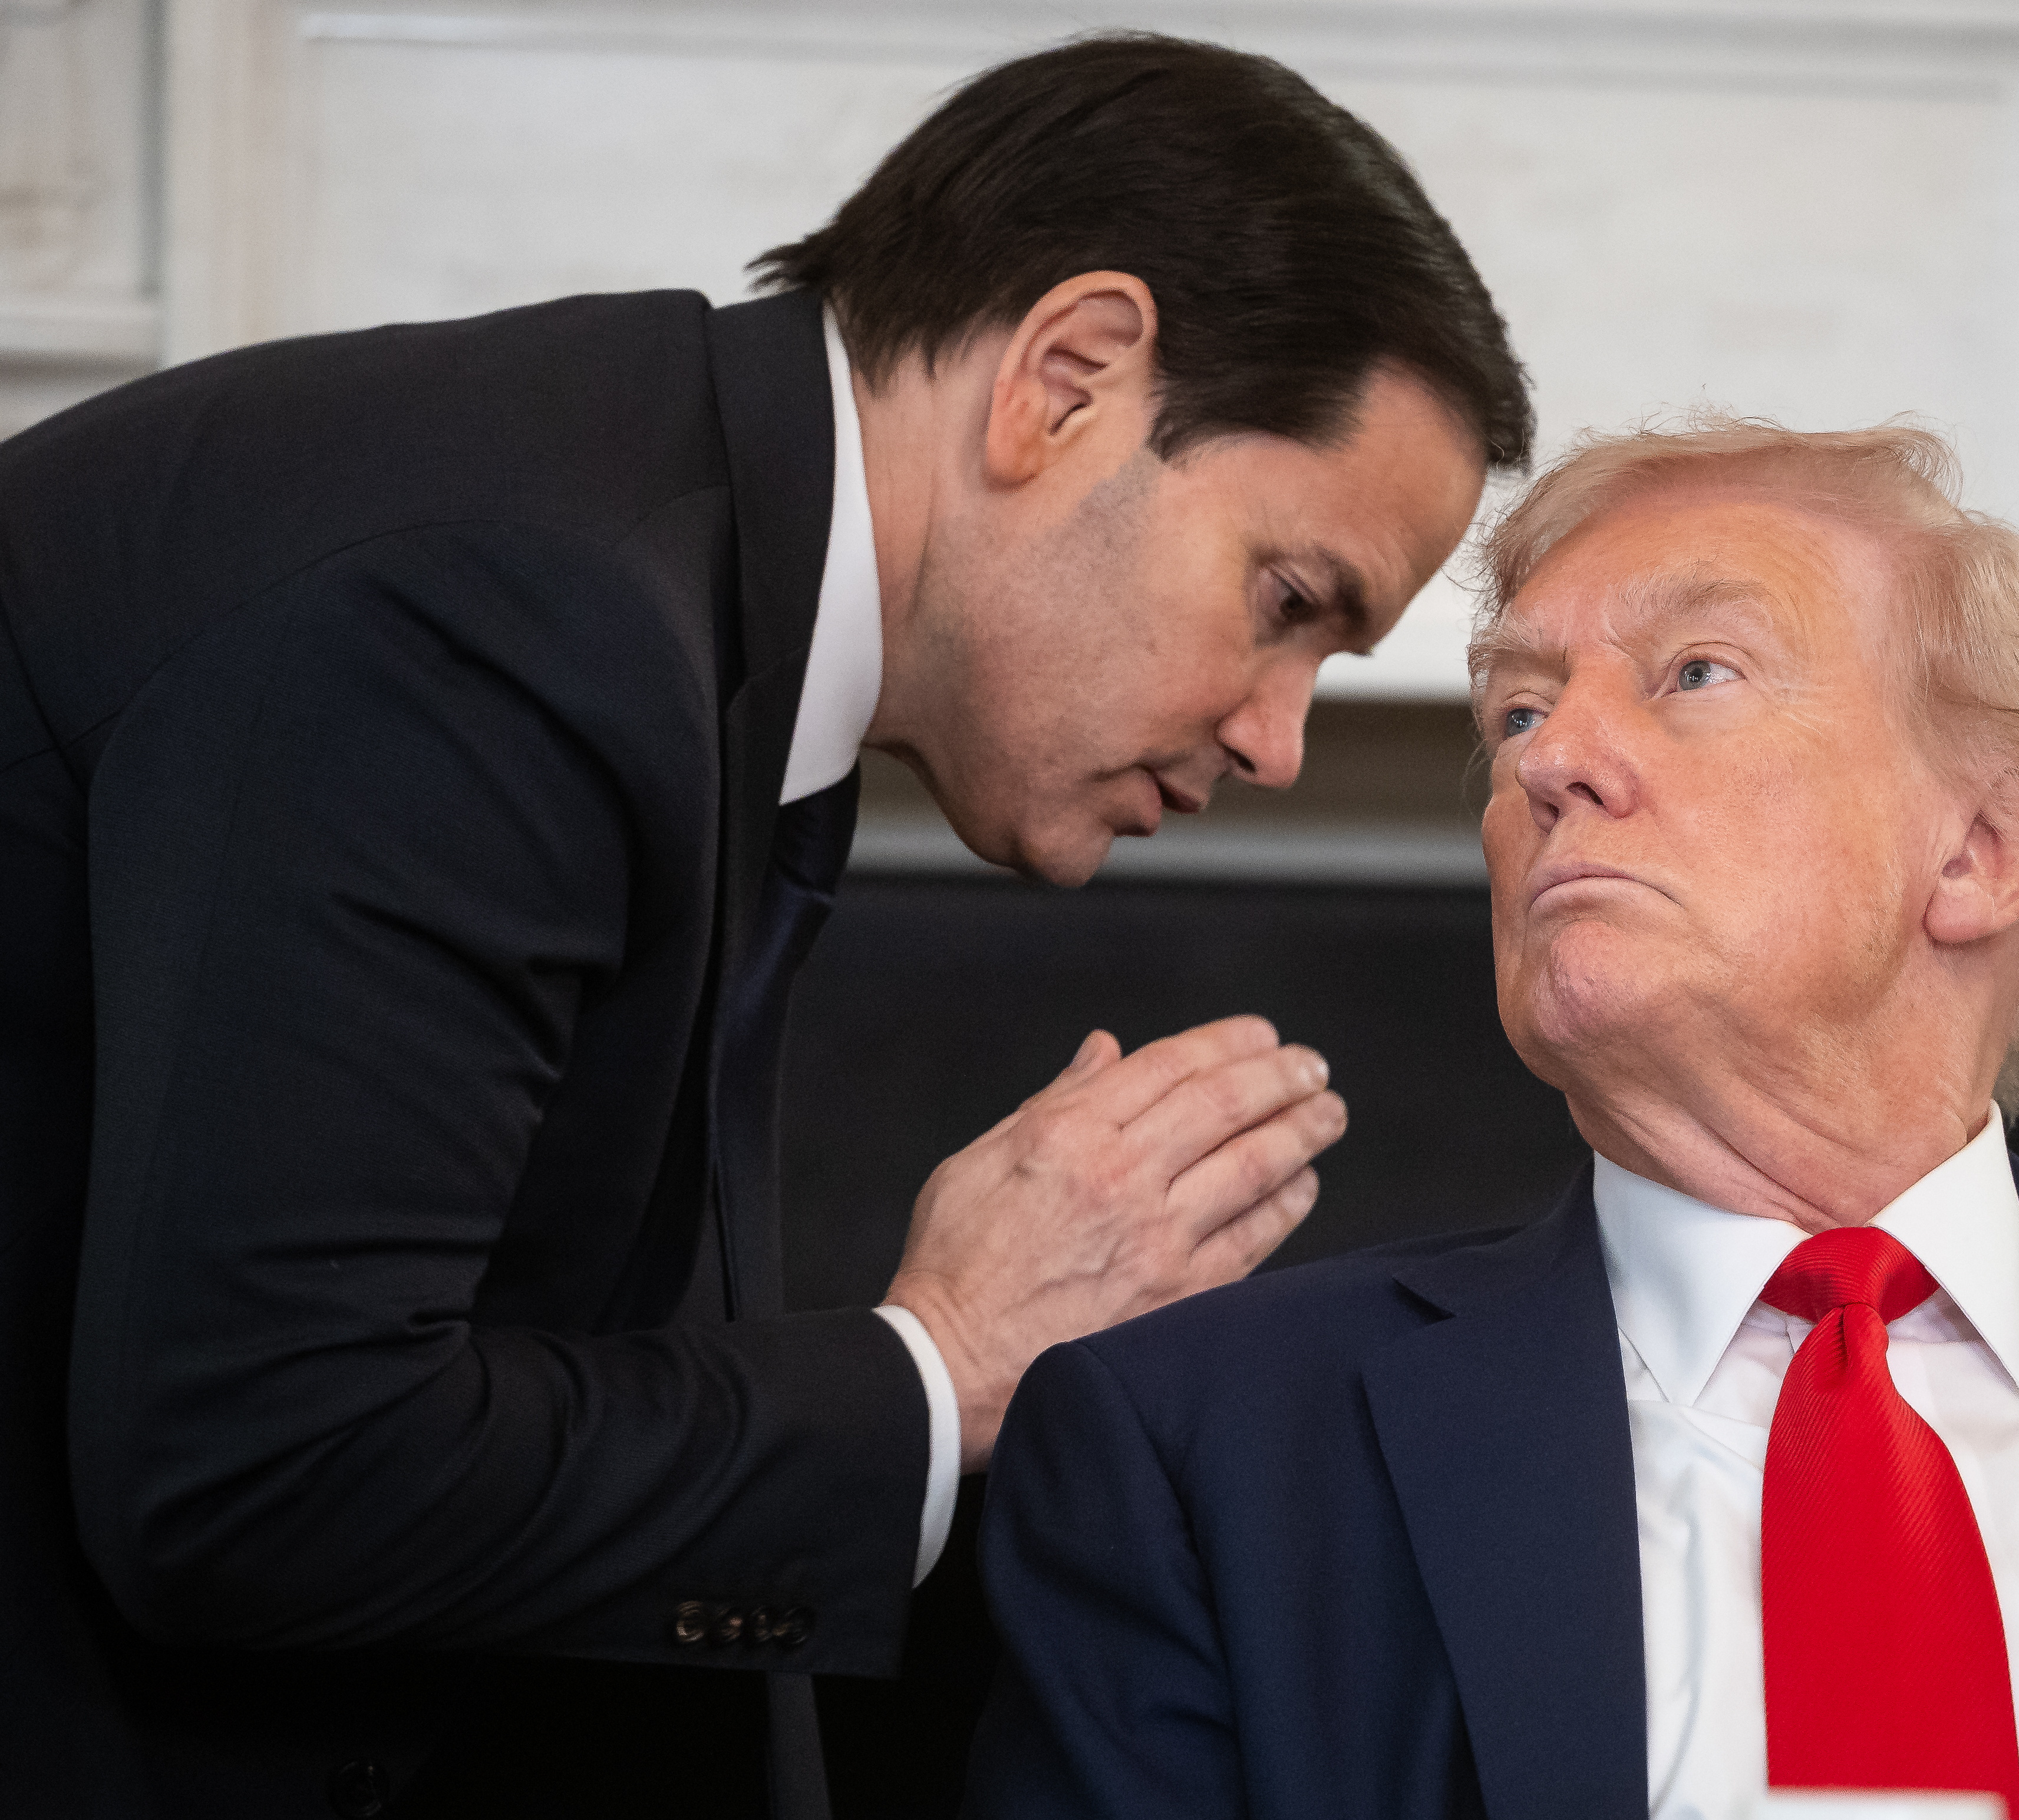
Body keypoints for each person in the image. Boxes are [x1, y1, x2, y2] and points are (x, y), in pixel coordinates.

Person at [0, 32, 1530, 1819]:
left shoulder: (693, 581)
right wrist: (939, 1365)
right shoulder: (514, 611)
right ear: (1070, 377)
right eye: (1287, 602)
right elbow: (259, 1477)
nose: (1277, 738)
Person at [963, 417, 2019, 1820]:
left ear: (1979, 850)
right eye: (1513, 705)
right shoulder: (1205, 1450)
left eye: (1695, 671)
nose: (1546, 759)